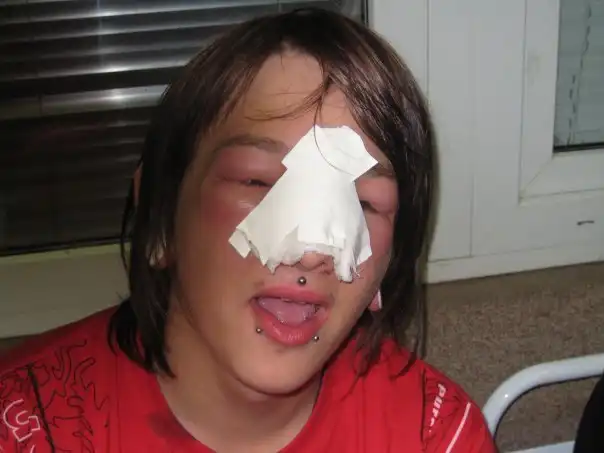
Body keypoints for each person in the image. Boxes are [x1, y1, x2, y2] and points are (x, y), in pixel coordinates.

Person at [0, 8, 496, 453]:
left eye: (363, 204)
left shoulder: (436, 437)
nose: (310, 254)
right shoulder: (24, 429)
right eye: (258, 182)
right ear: (161, 216)